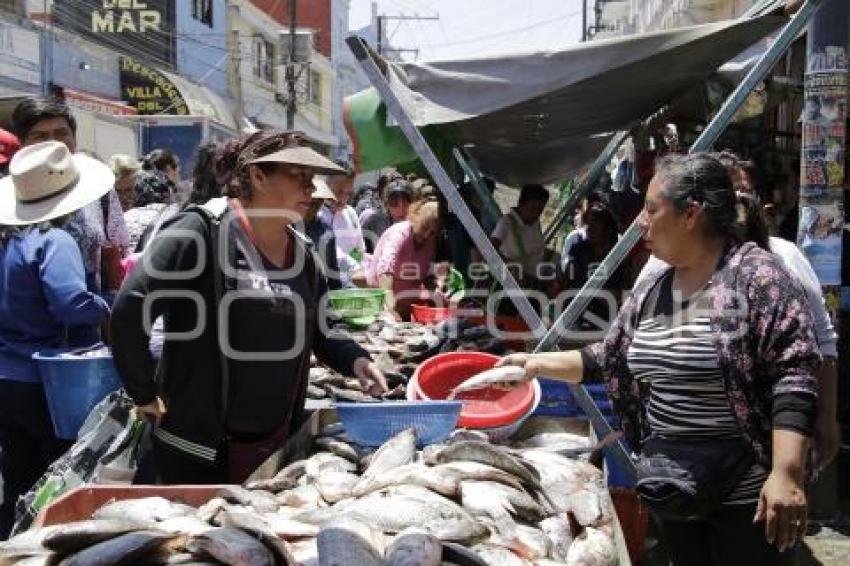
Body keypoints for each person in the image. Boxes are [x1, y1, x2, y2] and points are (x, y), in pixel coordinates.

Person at [499, 153, 819, 565]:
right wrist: (532, 367)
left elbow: (793, 376)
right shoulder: (655, 287)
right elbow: (609, 357)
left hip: (747, 499)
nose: (639, 222)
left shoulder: (758, 279)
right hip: (677, 489)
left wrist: (786, 474)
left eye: (651, 209)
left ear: (691, 214)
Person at [111, 130, 387, 484]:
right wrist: (143, 392)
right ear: (257, 176)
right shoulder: (201, 231)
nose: (311, 188)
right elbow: (130, 309)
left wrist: (356, 359)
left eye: (312, 178)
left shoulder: (303, 252)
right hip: (195, 453)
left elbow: (321, 327)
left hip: (269, 450)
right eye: (298, 176)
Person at [0, 142, 112, 536]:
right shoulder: (55, 241)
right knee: (55, 485)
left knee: (18, 481)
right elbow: (71, 303)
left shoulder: (11, 244)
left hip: (8, 378)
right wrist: (106, 306)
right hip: (48, 383)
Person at [11, 97, 130, 294]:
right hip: (24, 318)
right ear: (22, 145)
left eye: (61, 133)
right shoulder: (9, 199)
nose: (52, 143)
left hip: (87, 313)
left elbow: (112, 256)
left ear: (74, 139)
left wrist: (112, 316)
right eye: (40, 136)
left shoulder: (99, 190)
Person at [366, 199, 442, 321]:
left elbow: (428, 275)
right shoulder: (399, 234)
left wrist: (436, 293)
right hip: (382, 300)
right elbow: (385, 271)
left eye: (433, 232)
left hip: (407, 303)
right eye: (424, 227)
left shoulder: (430, 242)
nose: (427, 235)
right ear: (414, 216)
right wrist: (391, 307)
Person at [491, 183, 549, 285]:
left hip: (532, 282)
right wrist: (510, 266)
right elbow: (490, 248)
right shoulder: (507, 222)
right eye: (532, 209)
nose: (535, 214)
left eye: (540, 211)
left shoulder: (536, 223)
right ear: (521, 204)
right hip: (511, 284)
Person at [304, 176, 347, 290]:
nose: (315, 206)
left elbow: (333, 271)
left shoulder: (327, 231)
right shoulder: (287, 227)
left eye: (319, 201)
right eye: (312, 201)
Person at [362, 177, 413, 248]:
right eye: (394, 204)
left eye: (406, 203)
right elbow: (357, 249)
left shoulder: (421, 226)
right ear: (386, 204)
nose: (401, 209)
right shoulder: (373, 223)